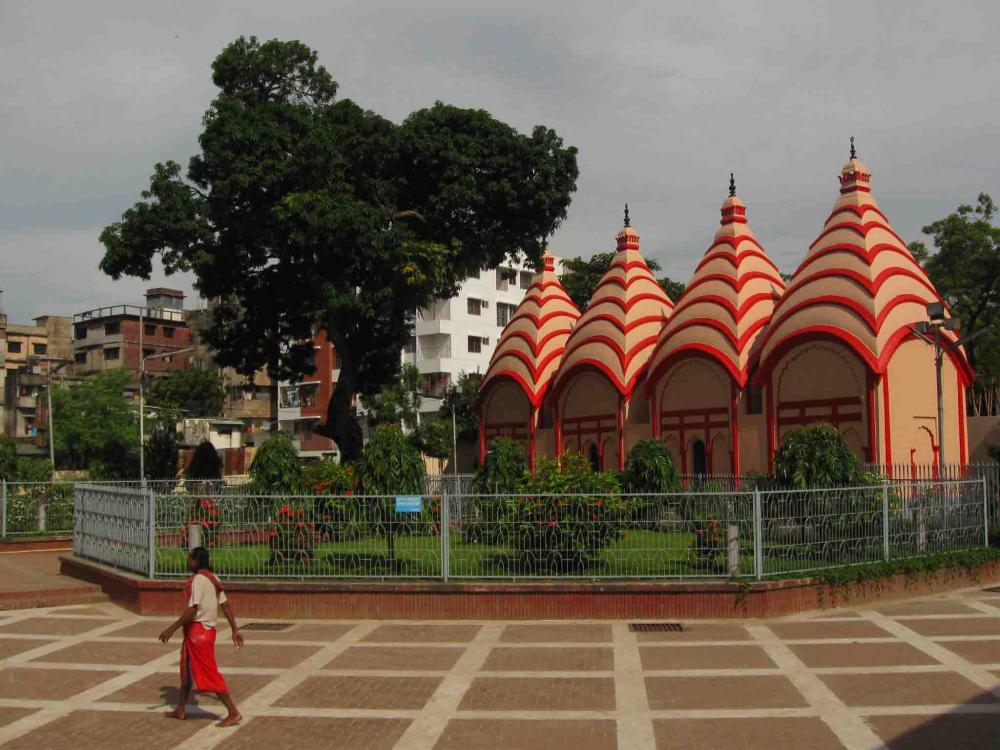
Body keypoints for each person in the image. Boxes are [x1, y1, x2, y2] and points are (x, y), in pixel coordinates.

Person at [159, 546, 244, 727]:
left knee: (209, 674)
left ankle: (233, 712)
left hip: (199, 633)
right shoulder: (214, 579)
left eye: (190, 558)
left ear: (196, 561)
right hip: (206, 632)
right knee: (187, 670)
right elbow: (226, 606)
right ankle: (181, 708)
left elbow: (192, 609)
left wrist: (171, 629)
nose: (187, 561)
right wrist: (234, 629)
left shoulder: (198, 580)